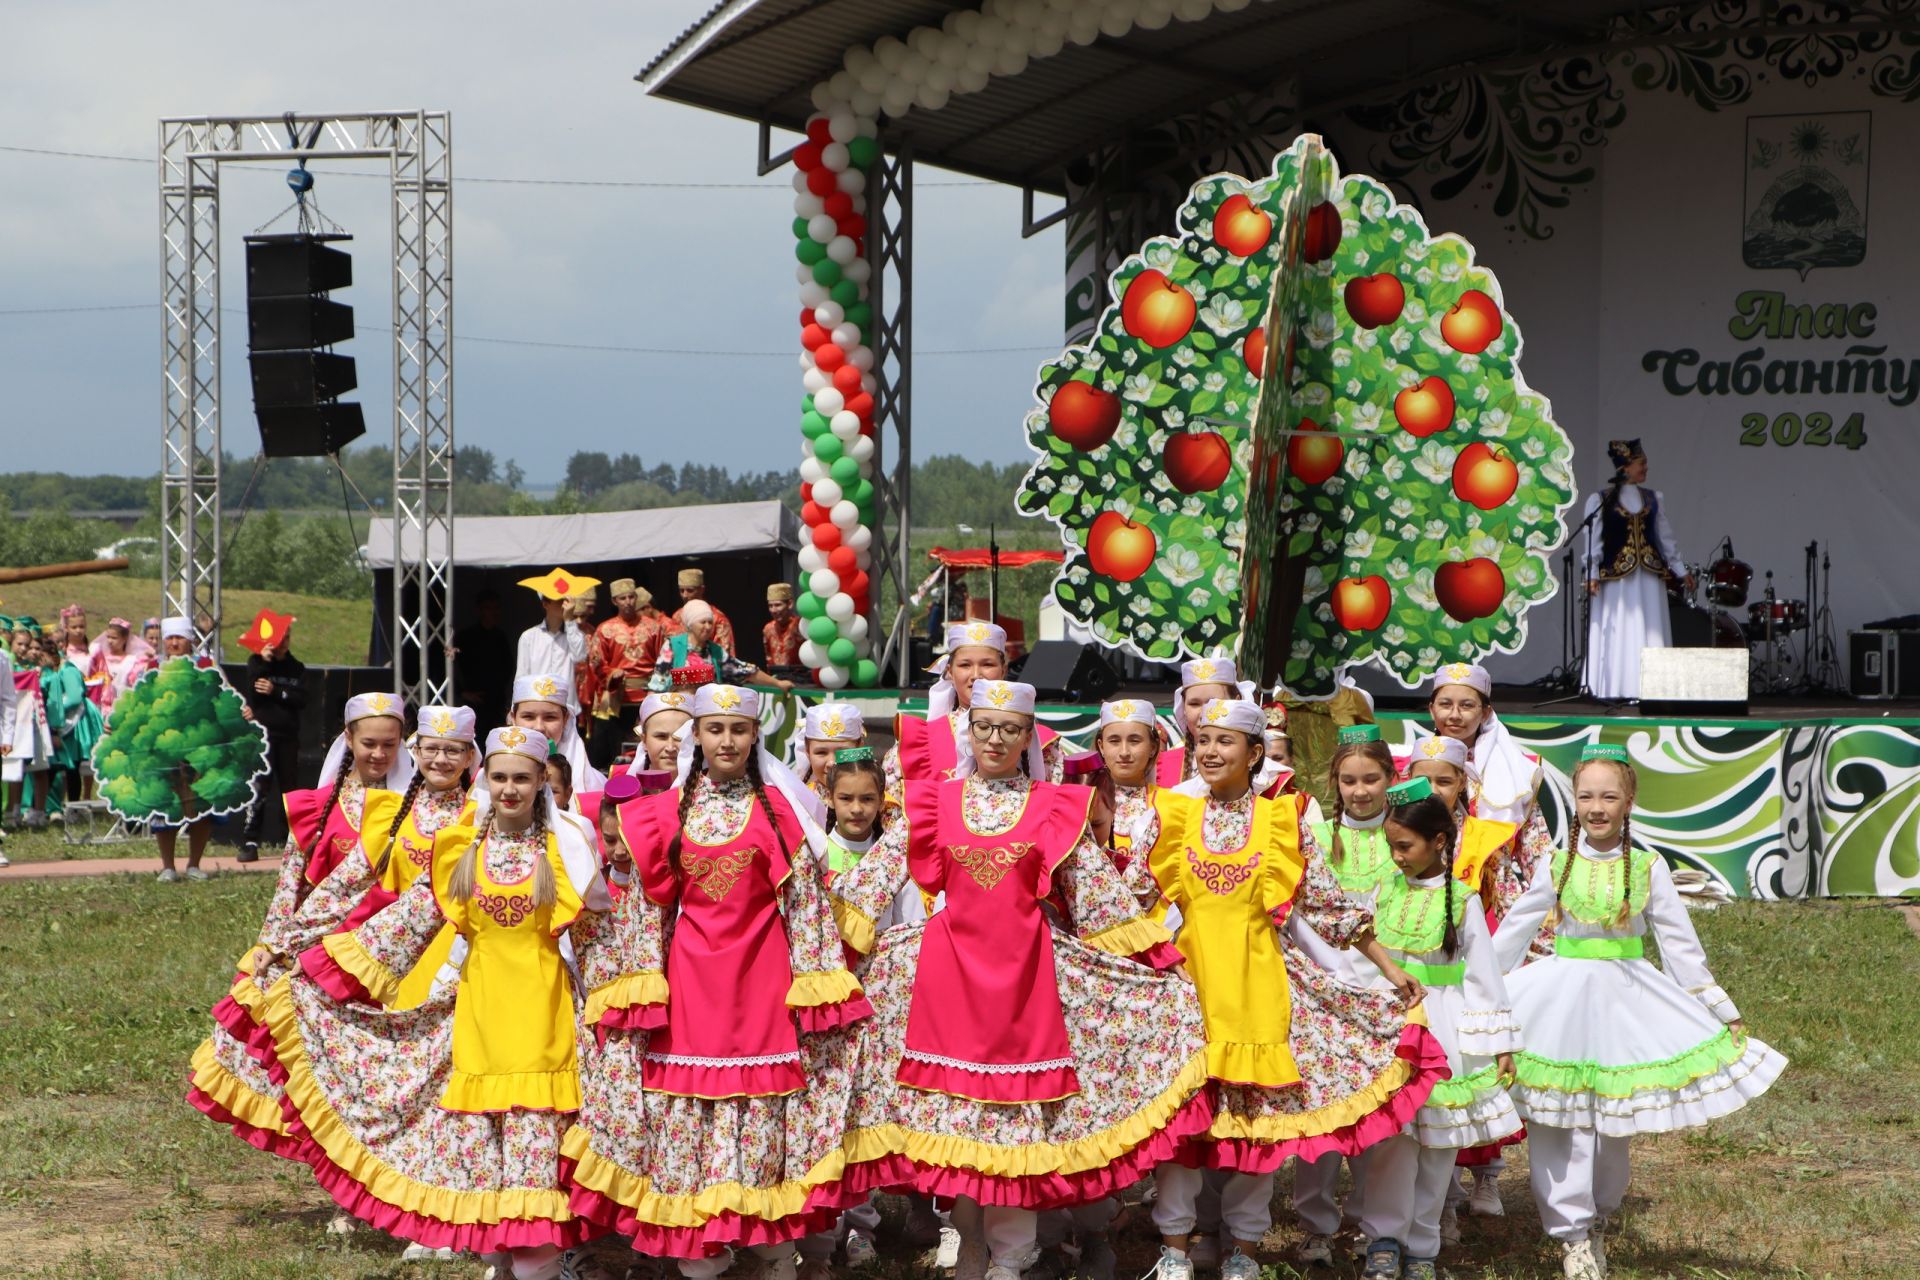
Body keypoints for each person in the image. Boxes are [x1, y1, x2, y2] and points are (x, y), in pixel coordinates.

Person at [831, 679, 1213, 1280]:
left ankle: (1010, 1263)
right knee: (954, 1123)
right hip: (946, 977)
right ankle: (971, 1252)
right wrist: (823, 951)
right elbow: (873, 877)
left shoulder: (1054, 806)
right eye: (984, 726)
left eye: (1010, 728)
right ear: (969, 730)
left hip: (1026, 981)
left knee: (1015, 1136)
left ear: (1027, 735)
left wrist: (1158, 963)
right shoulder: (935, 801)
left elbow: (1097, 896)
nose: (996, 738)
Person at [267, 726, 614, 1279]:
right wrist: (303, 957)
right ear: (484, 780)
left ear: (540, 783)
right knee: (486, 1172)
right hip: (476, 1023)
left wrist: (615, 1016)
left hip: (545, 1024)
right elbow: (405, 922)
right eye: (499, 777)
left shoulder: (565, 850)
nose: (509, 789)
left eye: (521, 778)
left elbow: (599, 942)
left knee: (535, 1166)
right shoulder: (462, 851)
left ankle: (543, 1267)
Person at [1134, 700, 1443, 1280]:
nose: (1209, 751)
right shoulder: (1170, 814)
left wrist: (1387, 967)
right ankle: (1173, 1250)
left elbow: (1326, 903)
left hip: (1259, 986)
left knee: (1256, 1125)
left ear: (1255, 754)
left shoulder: (1282, 821)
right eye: (1202, 738)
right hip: (1188, 987)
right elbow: (1132, 904)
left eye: (1226, 741)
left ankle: (1244, 1252)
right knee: (1178, 1122)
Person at [566, 682, 865, 1272]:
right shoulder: (658, 816)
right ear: (695, 737)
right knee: (688, 1117)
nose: (726, 740)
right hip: (690, 990)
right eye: (714, 729)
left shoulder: (780, 813)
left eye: (738, 730)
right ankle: (705, 1262)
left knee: (762, 1121)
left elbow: (803, 906)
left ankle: (774, 1260)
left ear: (755, 736)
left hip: (762, 986)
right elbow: (651, 910)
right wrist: (640, 986)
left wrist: (818, 988)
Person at [1491, 744, 1786, 1280]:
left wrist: (1718, 1008)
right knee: (1558, 1118)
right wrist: (1484, 998)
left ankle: (1600, 1215)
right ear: (1573, 800)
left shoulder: (1650, 868)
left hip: (1626, 1001)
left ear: (1629, 803)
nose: (1596, 807)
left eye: (1609, 796)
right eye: (1585, 796)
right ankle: (1571, 1234)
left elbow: (1679, 946)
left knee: (1613, 1121)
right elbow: (1512, 934)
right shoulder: (1555, 864)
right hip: (1558, 1000)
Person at [1350, 777, 1524, 1280]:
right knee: (1391, 1143)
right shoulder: (1385, 889)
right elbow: (1366, 960)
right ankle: (1383, 1240)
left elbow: (1485, 977)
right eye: (1390, 846)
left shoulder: (1463, 900)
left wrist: (1500, 1045)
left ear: (1439, 842)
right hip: (1394, 1027)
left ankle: (1423, 1247)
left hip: (1446, 1029)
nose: (1396, 855)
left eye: (1404, 846)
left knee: (1438, 1147)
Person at [1427, 662, 1557, 1220]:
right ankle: (1444, 1184)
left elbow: (1537, 853)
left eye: (1466, 705)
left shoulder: (1517, 770)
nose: (1454, 715)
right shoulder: (1417, 763)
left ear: (1486, 709)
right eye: (1445, 704)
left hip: (1498, 919)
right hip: (1430, 923)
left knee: (1491, 1045)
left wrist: (1539, 932)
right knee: (1445, 1046)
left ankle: (1487, 1174)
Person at [797, 746, 919, 1280]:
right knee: (825, 1114)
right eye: (846, 798)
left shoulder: (897, 858)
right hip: (828, 1003)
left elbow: (910, 927)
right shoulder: (815, 853)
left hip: (882, 1000)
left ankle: (863, 1228)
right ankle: (820, 1238)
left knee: (868, 1112)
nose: (857, 809)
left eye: (868, 798)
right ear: (827, 797)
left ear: (882, 799)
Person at [1289, 724, 1401, 1265]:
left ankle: (1368, 1220)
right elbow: (1305, 909)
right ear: (1334, 781)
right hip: (1326, 981)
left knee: (1377, 1106)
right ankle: (1315, 1221)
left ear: (1391, 778)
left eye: (1371, 780)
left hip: (1387, 980)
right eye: (1349, 780)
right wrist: (1331, 969)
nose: (1360, 791)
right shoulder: (1312, 830)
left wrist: (1386, 971)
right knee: (1322, 1102)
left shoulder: (1406, 830)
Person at [883, 621, 1063, 799]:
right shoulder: (918, 742)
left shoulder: (1041, 743)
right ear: (950, 672)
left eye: (987, 664)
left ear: (1003, 670)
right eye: (965, 665)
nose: (976, 675)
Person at [1580, 439, 1690, 702]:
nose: (1646, 468)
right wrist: (1591, 574)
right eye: (1642, 464)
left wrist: (1679, 569)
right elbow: (1592, 539)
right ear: (1626, 467)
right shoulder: (1600, 499)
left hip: (1649, 575)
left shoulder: (1654, 498)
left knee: (1650, 626)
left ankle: (1652, 687)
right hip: (1615, 579)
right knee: (1618, 626)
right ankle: (1611, 687)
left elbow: (1666, 538)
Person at [586, 579, 675, 772]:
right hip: (617, 694)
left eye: (631, 597)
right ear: (614, 601)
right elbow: (596, 661)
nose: (628, 601)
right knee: (612, 747)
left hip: (648, 693)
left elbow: (665, 658)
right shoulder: (605, 629)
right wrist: (612, 674)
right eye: (622, 598)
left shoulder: (653, 627)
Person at [240, 623, 309, 862]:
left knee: (289, 790)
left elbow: (301, 699)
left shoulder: (296, 667)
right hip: (263, 737)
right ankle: (250, 840)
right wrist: (265, 662)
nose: (283, 644)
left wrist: (277, 690)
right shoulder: (256, 663)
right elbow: (253, 693)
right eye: (280, 639)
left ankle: (290, 840)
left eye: (287, 638)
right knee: (259, 788)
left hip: (288, 737)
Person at [646, 600, 792, 692]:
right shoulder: (673, 646)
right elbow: (658, 683)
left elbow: (745, 670)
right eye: (702, 622)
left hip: (707, 712)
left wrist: (778, 683)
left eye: (710, 622)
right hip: (679, 710)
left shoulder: (715, 651)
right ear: (690, 624)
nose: (708, 627)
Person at [37, 632, 104, 817]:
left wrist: (51, 705)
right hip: (62, 720)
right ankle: (48, 806)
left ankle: (74, 808)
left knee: (72, 766)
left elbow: (74, 697)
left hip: (76, 723)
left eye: (43, 658)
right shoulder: (53, 672)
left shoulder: (68, 671)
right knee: (59, 767)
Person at [509, 671, 606, 794]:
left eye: (550, 717)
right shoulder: (491, 777)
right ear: (513, 718)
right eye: (528, 717)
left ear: (565, 719)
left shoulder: (596, 786)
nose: (539, 728)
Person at [516, 568, 594, 682]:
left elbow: (580, 657)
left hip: (567, 699)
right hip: (539, 698)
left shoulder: (576, 635)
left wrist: (569, 619)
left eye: (567, 600)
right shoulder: (528, 637)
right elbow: (521, 677)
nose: (565, 604)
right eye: (559, 600)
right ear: (545, 604)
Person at [453, 590, 516, 732]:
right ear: (480, 610)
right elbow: (448, 667)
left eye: (496, 608)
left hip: (497, 702)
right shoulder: (465, 637)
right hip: (473, 703)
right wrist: (462, 692)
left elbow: (509, 667)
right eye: (489, 608)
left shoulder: (500, 637)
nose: (493, 612)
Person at [85, 617, 156, 717]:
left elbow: (136, 682)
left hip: (122, 706)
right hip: (100, 707)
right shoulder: (100, 658)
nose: (110, 641)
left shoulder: (132, 661)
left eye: (114, 638)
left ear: (125, 638)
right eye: (108, 637)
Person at [797, 702, 865, 792]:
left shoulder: (880, 802)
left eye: (842, 752)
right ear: (808, 752)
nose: (831, 763)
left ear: (859, 749)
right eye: (821, 752)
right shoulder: (799, 800)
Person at [671, 566, 735, 653]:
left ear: (702, 590)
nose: (684, 595)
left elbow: (724, 654)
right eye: (681, 591)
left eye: (690, 590)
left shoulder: (718, 619)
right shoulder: (677, 616)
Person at [637, 690, 694, 775]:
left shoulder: (713, 787)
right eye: (661, 736)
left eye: (679, 738)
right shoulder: (622, 783)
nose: (670, 748)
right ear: (644, 741)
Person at [762, 582, 803, 674]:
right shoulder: (768, 628)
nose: (773, 610)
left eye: (777, 605)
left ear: (790, 604)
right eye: (770, 606)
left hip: (800, 679)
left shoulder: (800, 625)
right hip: (776, 680)